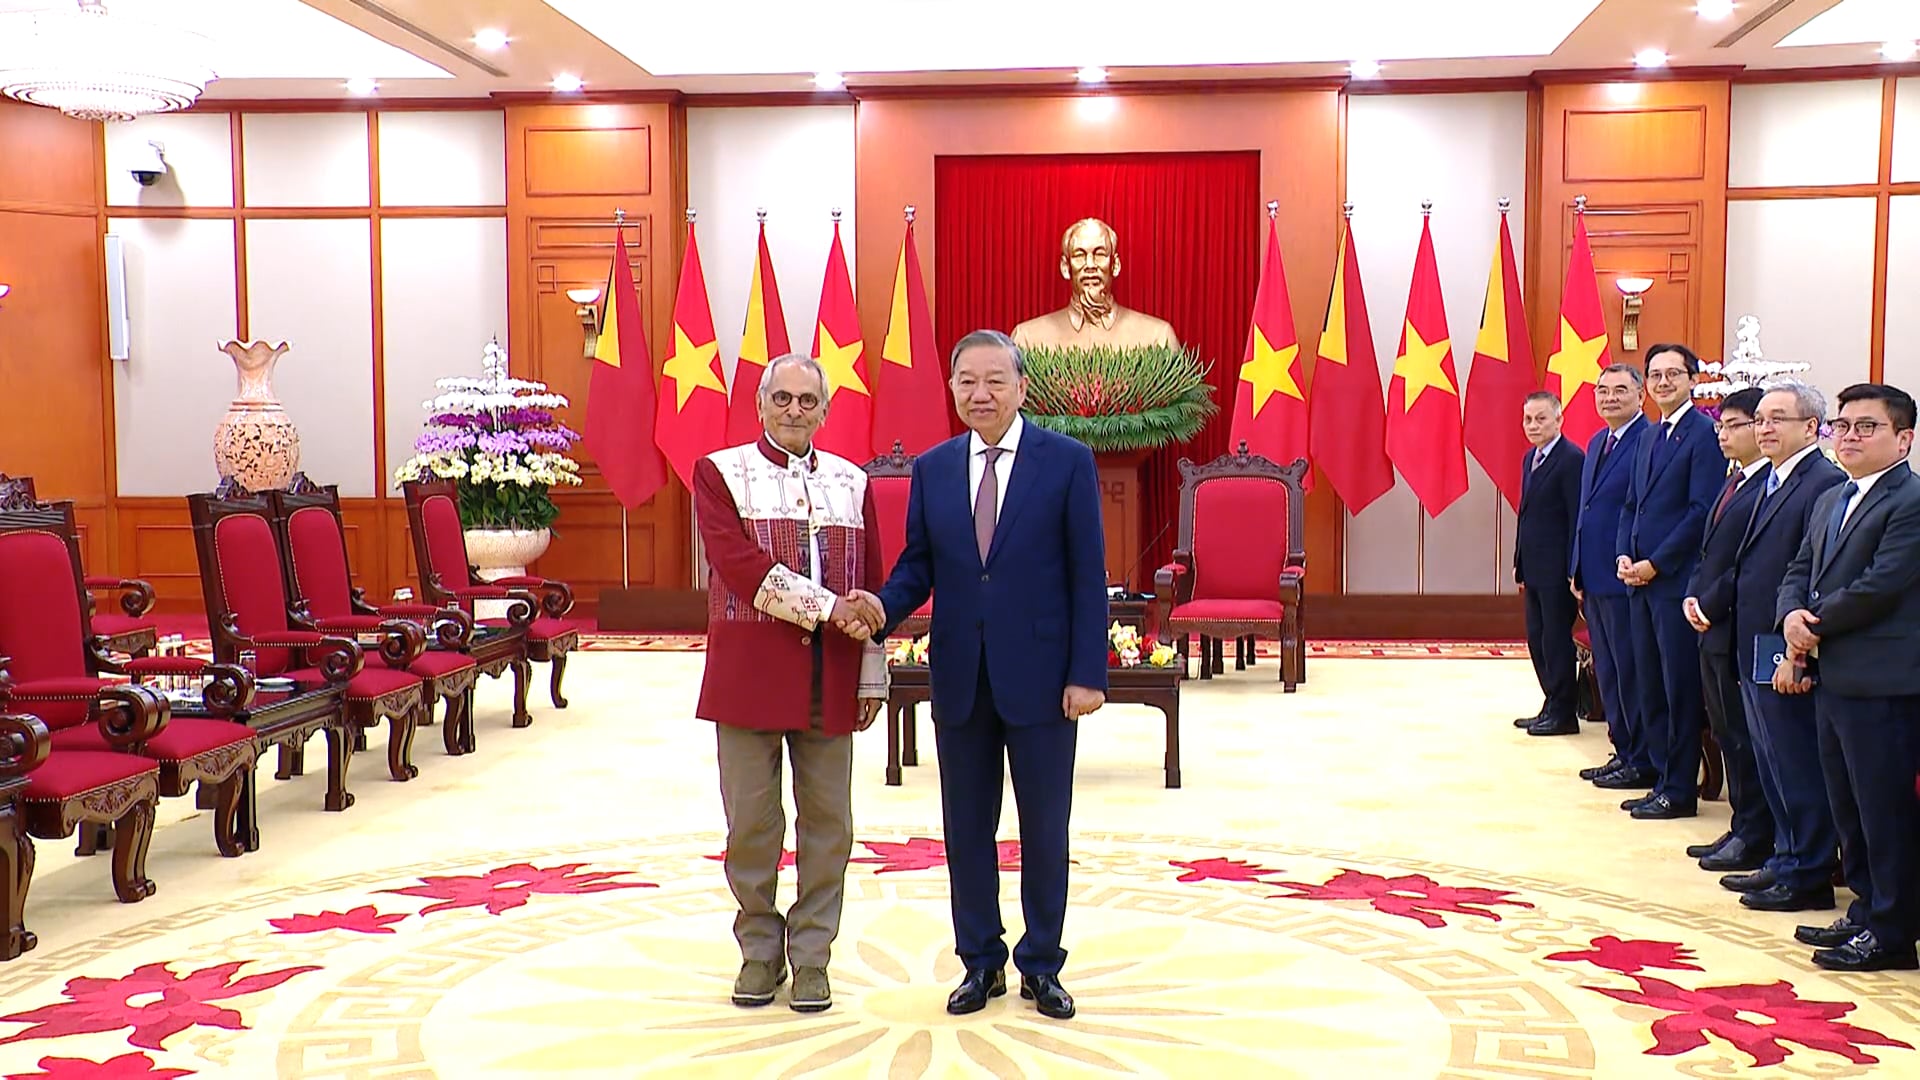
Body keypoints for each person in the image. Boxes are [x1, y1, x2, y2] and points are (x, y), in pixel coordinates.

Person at [845, 329, 1107, 1021]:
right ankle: (980, 961)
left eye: (995, 381)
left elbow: (1088, 574)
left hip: (1045, 679)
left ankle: (1042, 965)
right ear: (952, 389)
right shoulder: (934, 468)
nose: (980, 394)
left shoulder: (1067, 462)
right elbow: (919, 566)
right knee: (966, 829)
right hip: (961, 675)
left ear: (1022, 388)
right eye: (967, 381)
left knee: (1044, 829)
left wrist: (1087, 673)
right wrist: (881, 607)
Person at [691, 352, 890, 1013]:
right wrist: (831, 609)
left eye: (808, 401)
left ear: (826, 410)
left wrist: (871, 676)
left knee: (830, 825)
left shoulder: (853, 482)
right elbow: (740, 568)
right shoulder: (719, 473)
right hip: (748, 676)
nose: (795, 411)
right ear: (760, 405)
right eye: (782, 398)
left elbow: (873, 585)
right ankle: (758, 950)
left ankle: (811, 957)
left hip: (831, 676)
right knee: (752, 823)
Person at [1775, 383, 1920, 972]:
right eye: (1843, 425)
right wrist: (1790, 615)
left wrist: (1810, 628)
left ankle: (1892, 932)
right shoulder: (1834, 497)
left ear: (1904, 439)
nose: (1850, 436)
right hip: (1834, 675)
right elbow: (1799, 568)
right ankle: (1865, 909)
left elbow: (1880, 586)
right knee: (1850, 806)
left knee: (1884, 810)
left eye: (1867, 426)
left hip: (1883, 683)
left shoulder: (1910, 500)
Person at [1716, 383, 1845, 909]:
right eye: (1761, 419)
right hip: (1754, 635)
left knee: (1795, 760)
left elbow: (1816, 572)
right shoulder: (1772, 478)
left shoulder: (1822, 481)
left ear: (1811, 427)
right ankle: (1785, 856)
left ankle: (1808, 872)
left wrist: (1797, 652)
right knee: (1771, 758)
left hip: (1786, 643)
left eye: (1777, 419)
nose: (1764, 428)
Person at [1615, 344, 1725, 820]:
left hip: (1674, 582)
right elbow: (1631, 505)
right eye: (1655, 375)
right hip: (1637, 581)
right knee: (1649, 684)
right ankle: (1661, 779)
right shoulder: (1649, 434)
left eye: (1673, 374)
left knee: (1678, 688)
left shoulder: (1703, 435)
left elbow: (1700, 512)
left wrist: (1656, 563)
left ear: (1693, 380)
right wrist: (1624, 554)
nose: (1663, 382)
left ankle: (1680, 789)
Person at [1680, 388, 1774, 873]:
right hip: (1710, 623)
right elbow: (1707, 550)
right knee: (1725, 730)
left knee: (1744, 734)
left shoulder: (1767, 488)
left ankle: (1756, 833)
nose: (1724, 434)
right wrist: (1693, 595)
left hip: (1736, 622)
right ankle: (1742, 825)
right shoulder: (1734, 480)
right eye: (1721, 425)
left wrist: (1710, 603)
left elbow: (1750, 564)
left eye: (1735, 425)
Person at [1571, 364, 1652, 788]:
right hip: (1593, 576)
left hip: (1626, 577)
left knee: (1630, 671)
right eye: (1603, 390)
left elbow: (1642, 510)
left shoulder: (1648, 441)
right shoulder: (1597, 441)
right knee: (1608, 670)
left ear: (1641, 395)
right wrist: (1576, 567)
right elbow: (1585, 510)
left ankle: (1640, 757)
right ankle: (1622, 750)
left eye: (1620, 390)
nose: (1610, 398)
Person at [1513, 391, 1584, 736]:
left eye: (1541, 418)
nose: (1533, 425)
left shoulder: (1571, 459)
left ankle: (1564, 712)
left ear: (1559, 419)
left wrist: (1574, 569)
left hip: (1558, 571)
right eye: (1528, 419)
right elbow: (1526, 515)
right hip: (1534, 567)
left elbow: (1575, 518)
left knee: (1556, 640)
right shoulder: (1531, 457)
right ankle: (1551, 703)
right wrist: (1519, 560)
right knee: (1537, 638)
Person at [1010, 218, 1179, 350]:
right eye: (1079, 255)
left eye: (1100, 254)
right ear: (1065, 267)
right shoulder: (1028, 339)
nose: (1090, 265)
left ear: (1115, 265)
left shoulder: (1157, 338)